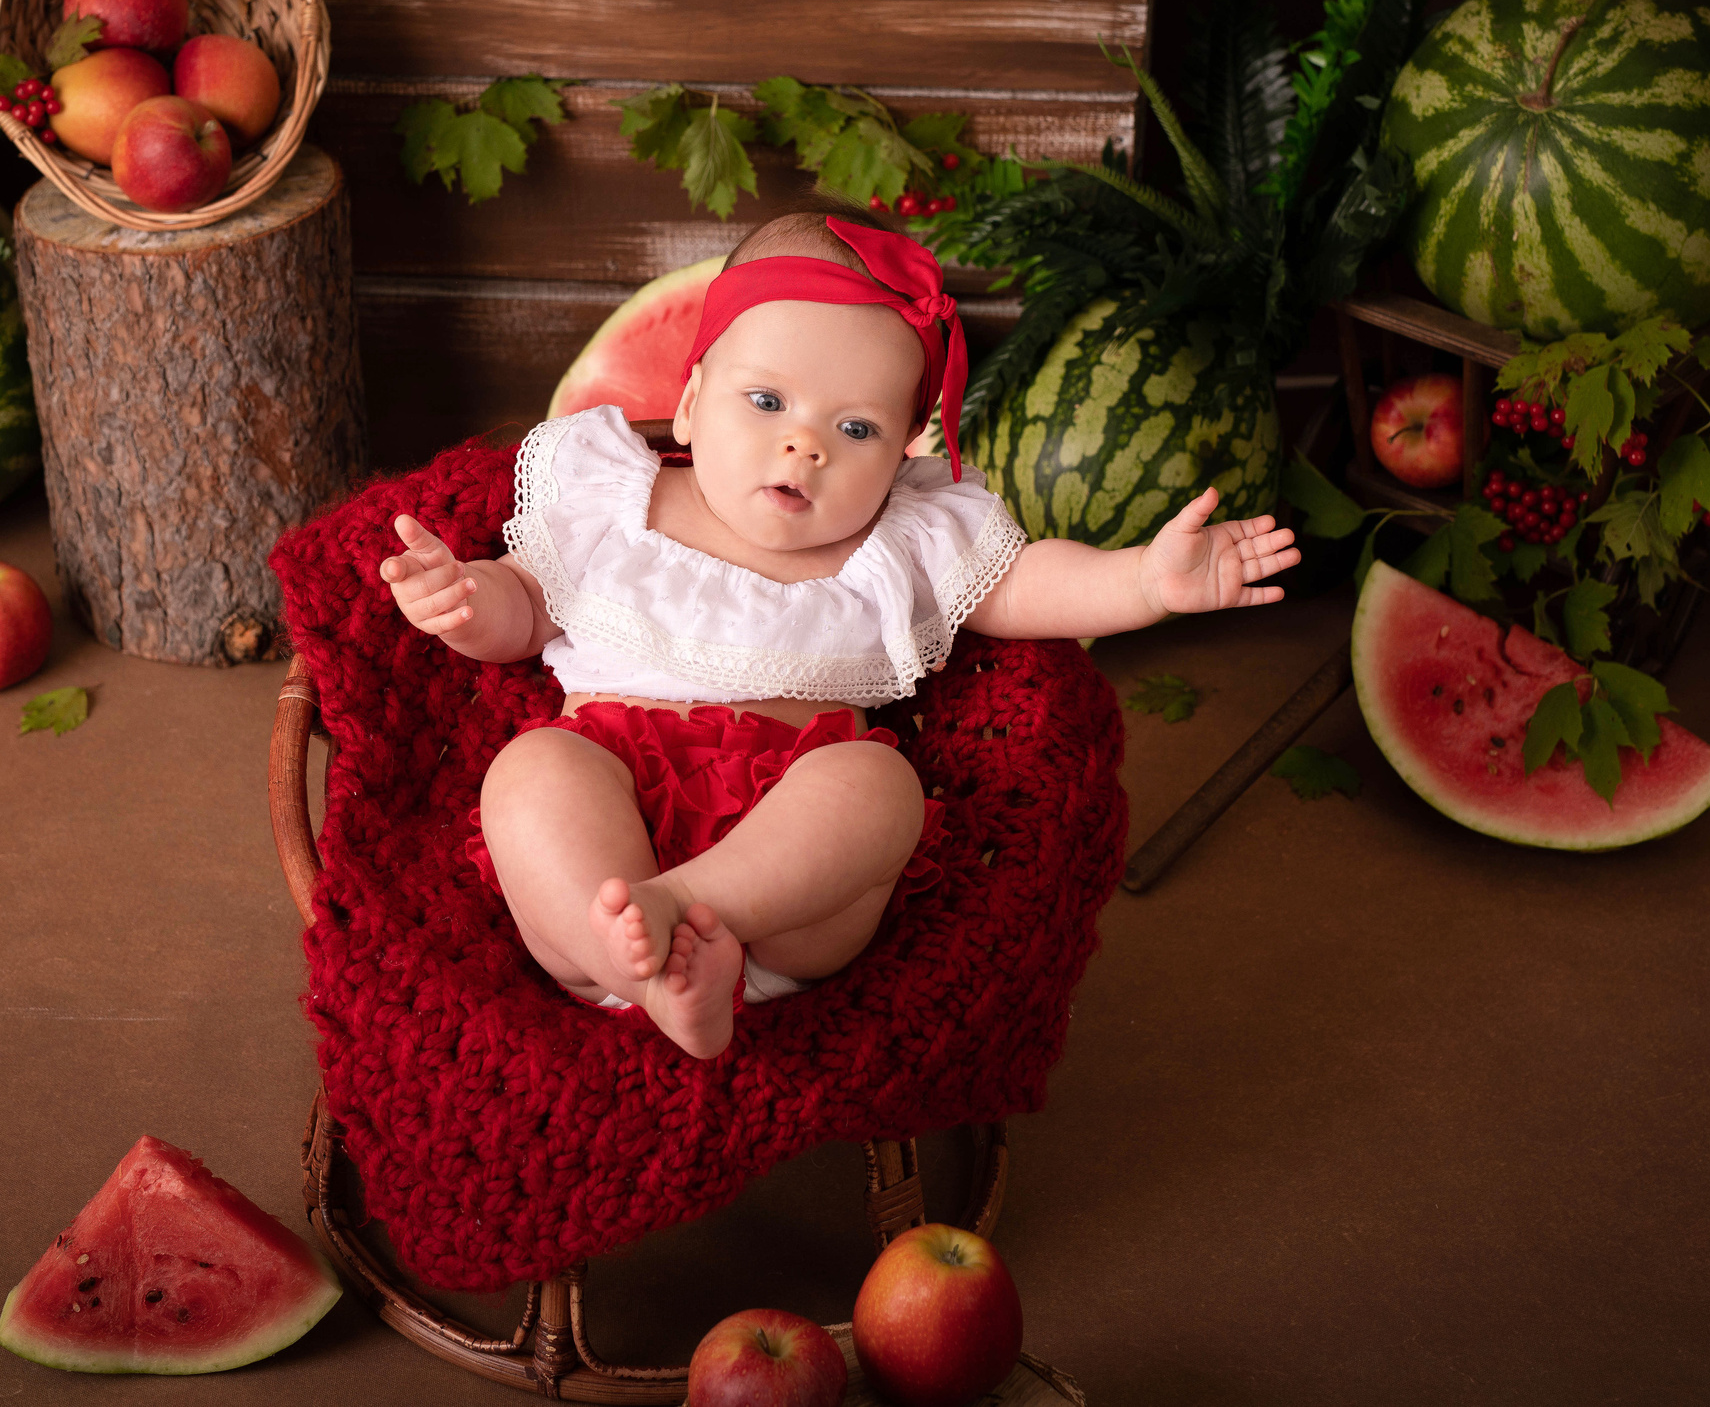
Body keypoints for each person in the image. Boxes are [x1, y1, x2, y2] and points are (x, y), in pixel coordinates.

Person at [380, 211, 1299, 1059]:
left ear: (904, 451)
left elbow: (1020, 585)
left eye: (854, 426)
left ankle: (690, 915)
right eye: (767, 402)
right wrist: (464, 601)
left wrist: (1144, 578)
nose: (805, 445)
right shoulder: (612, 500)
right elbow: (526, 610)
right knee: (531, 772)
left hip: (789, 876)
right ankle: (641, 969)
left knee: (877, 782)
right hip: (610, 802)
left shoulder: (902, 539)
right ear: (693, 401)